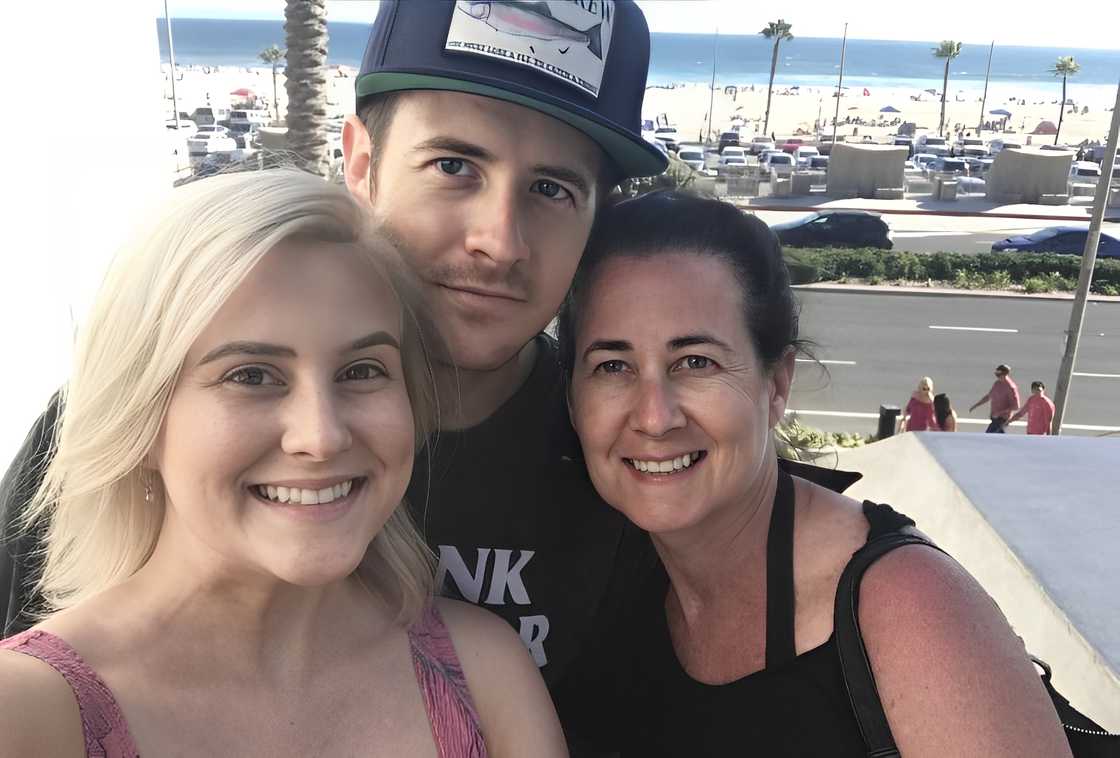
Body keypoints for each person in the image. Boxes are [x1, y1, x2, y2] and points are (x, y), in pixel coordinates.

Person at [2, 0, 665, 744]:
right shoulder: (107, 438)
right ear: (360, 162)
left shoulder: (631, 453)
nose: (498, 242)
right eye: (454, 165)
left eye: (551, 189)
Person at [0, 171, 565, 756]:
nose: (320, 436)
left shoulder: (484, 674)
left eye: (362, 370)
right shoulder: (28, 713)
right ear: (140, 420)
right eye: (251, 376)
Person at [555, 192, 1070, 756]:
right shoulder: (597, 570)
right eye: (612, 366)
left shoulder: (906, 611)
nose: (654, 416)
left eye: (696, 362)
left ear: (776, 383)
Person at [970, 364, 1021, 433]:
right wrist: (976, 405)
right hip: (994, 417)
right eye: (996, 374)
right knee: (997, 438)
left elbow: (1016, 406)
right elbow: (989, 396)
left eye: (999, 374)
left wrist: (999, 413)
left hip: (1002, 419)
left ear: (1005, 374)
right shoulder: (997, 383)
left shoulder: (1011, 387)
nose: (997, 376)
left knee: (989, 436)